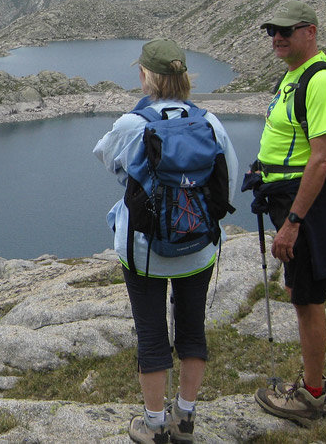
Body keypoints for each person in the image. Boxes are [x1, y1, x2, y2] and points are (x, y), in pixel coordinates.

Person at [94, 38, 238, 444]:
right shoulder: (210, 123)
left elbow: (105, 157)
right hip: (199, 248)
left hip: (144, 251)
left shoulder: (131, 124)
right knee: (192, 330)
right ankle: (186, 420)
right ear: (185, 77)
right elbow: (227, 177)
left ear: (145, 76)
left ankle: (154, 425)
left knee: (152, 334)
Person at [249, 0, 326, 426]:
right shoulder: (294, 76)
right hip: (286, 195)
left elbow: (321, 159)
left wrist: (293, 223)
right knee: (301, 294)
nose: (277, 37)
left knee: (309, 299)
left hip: (303, 204)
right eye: (272, 30)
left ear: (310, 32)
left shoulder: (321, 79)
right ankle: (310, 389)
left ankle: (312, 398)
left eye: (286, 31)